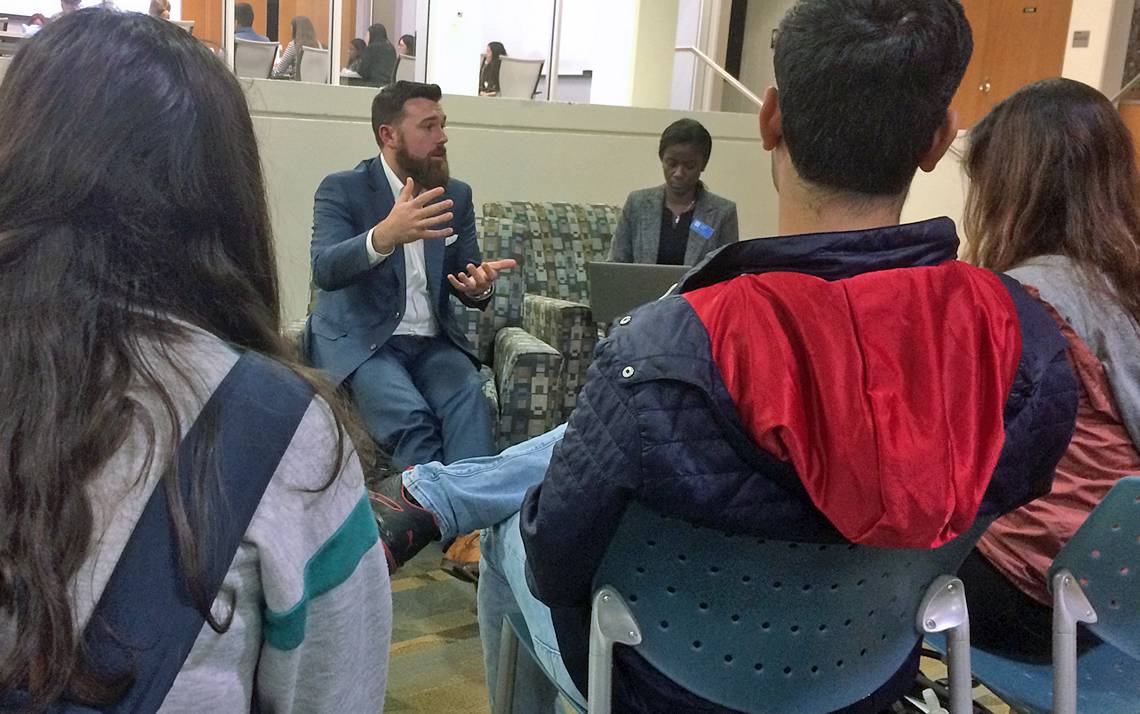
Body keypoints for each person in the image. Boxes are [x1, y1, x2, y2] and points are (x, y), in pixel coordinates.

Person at [368, 1, 1080, 712]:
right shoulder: (1030, 352)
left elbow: (557, 566)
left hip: (665, 687)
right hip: (864, 674)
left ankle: (444, 497)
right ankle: (441, 492)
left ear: (770, 120)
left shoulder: (660, 352)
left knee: (513, 531)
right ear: (939, 140)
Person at [0, 9, 389, 712]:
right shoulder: (280, 434)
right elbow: (337, 691)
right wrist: (383, 241)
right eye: (429, 122)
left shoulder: (456, 202)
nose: (441, 135)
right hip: (363, 352)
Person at [955, 78, 1140, 661]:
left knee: (867, 558)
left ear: (1014, 188)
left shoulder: (1022, 301)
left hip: (1045, 599)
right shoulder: (1122, 286)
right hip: (1125, 591)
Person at [609, 118, 739, 265]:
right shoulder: (637, 204)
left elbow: (728, 272)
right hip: (643, 288)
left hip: (698, 289)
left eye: (689, 166)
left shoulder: (722, 213)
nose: (678, 173)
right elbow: (615, 264)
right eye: (671, 163)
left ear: (703, 164)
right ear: (661, 158)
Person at [272, 16, 321, 80]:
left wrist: (271, 69)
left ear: (294, 30)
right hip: (316, 87)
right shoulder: (319, 46)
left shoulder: (294, 45)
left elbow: (278, 72)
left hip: (296, 86)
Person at [358, 22, 397, 87]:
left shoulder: (371, 48)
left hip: (373, 83)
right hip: (389, 85)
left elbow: (363, 70)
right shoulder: (391, 47)